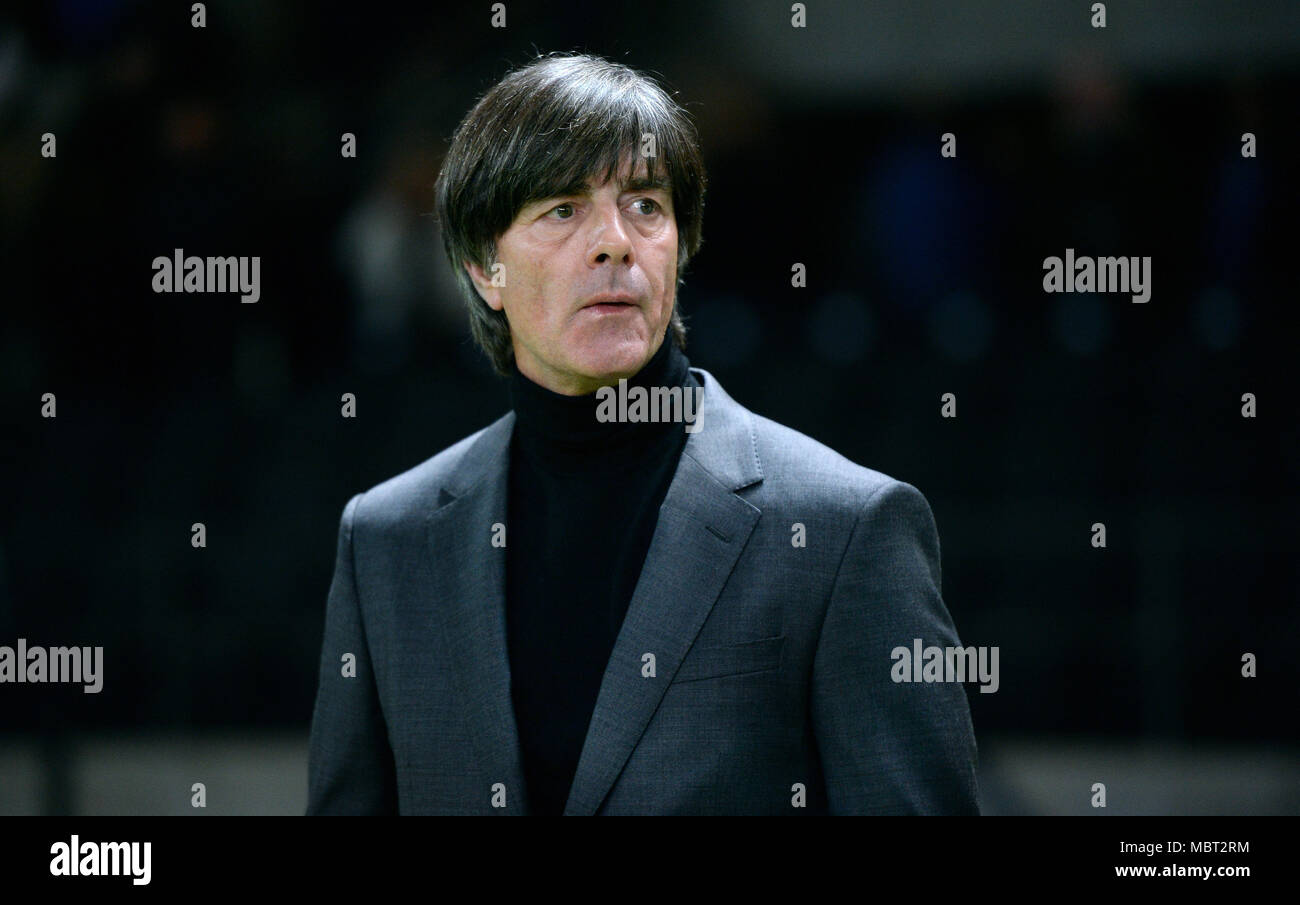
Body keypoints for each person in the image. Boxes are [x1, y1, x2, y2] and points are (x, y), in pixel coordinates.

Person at [306, 52, 980, 815]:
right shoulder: (385, 540)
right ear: (482, 267)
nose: (615, 242)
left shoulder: (845, 528)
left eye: (646, 206)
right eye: (562, 208)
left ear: (680, 247)